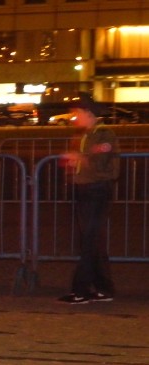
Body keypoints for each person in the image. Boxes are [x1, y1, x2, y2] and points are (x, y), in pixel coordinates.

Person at [57, 93, 120, 305]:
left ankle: (81, 290)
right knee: (93, 241)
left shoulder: (104, 134)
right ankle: (104, 289)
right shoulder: (86, 135)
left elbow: (101, 161)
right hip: (87, 190)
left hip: (97, 191)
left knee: (89, 242)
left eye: (77, 113)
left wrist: (79, 158)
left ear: (88, 113)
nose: (74, 118)